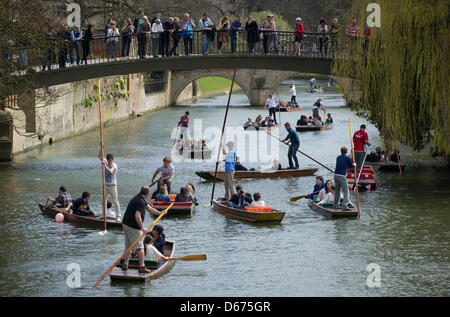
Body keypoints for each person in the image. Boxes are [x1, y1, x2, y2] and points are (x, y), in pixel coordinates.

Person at [121, 186, 161, 273]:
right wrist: (142, 227)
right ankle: (142, 267)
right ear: (147, 194)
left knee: (129, 246)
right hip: (133, 227)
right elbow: (137, 215)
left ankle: (125, 264)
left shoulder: (139, 198)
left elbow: (149, 208)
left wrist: (159, 212)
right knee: (140, 248)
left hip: (125, 224)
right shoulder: (140, 201)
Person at [98, 151, 121, 220]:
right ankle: (104, 215)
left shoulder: (114, 165)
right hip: (106, 185)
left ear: (112, 159)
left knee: (115, 201)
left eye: (110, 161)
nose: (109, 162)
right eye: (108, 160)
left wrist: (104, 165)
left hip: (112, 186)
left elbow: (110, 171)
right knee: (104, 201)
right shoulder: (106, 162)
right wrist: (101, 147)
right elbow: (100, 156)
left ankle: (118, 216)